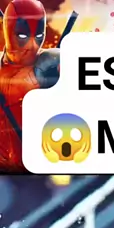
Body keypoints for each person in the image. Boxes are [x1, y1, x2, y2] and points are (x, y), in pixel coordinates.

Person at [0, 0, 63, 172]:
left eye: (40, 36)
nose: (33, 45)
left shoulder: (49, 64)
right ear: (8, 30)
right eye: (23, 36)